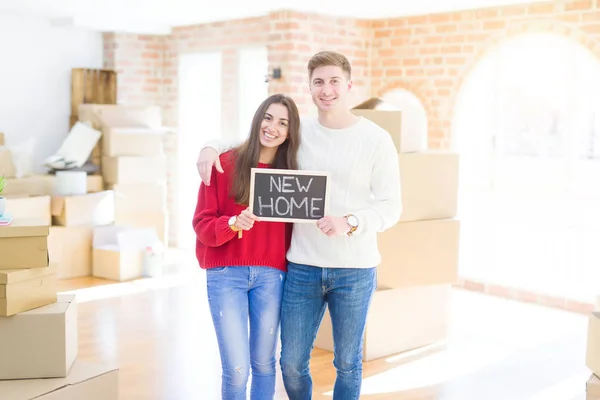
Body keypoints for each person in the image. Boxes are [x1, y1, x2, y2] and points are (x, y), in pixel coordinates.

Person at [196, 51, 402, 400]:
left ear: (349, 85)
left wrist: (350, 222)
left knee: (348, 362)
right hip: (302, 265)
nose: (327, 89)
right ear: (310, 87)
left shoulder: (376, 139)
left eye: (335, 81)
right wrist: (209, 146)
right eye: (319, 82)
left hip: (354, 268)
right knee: (290, 364)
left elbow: (391, 208)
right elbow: (254, 138)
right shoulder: (299, 131)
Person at [192, 93, 301, 400]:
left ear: (290, 132)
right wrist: (231, 224)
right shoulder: (224, 164)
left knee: (265, 364)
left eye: (283, 123)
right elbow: (201, 224)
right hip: (226, 275)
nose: (273, 127)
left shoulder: (293, 176)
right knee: (237, 370)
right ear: (257, 120)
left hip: (272, 276)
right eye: (268, 117)